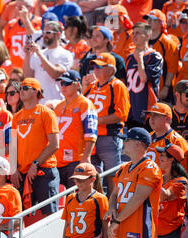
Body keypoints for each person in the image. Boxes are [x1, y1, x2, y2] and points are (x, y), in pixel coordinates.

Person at [107, 127, 163, 238]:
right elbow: (114, 194)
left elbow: (138, 198)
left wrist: (117, 221)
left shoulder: (150, 167)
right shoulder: (123, 168)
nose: (123, 143)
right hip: (118, 234)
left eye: (126, 140)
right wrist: (111, 207)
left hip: (139, 234)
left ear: (138, 144)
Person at [10, 78, 60, 220]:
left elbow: (54, 144)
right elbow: (13, 145)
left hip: (44, 170)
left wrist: (35, 164)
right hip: (22, 173)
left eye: (25, 88)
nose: (21, 91)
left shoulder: (46, 113)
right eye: (20, 88)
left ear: (36, 91)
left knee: (49, 215)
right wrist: (13, 169)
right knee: (19, 216)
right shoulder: (16, 117)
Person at [83, 53, 131, 196]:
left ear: (110, 69)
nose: (95, 69)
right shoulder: (91, 86)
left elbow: (122, 114)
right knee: (93, 175)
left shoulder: (117, 85)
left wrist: (96, 121)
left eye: (99, 66)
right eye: (94, 66)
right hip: (90, 138)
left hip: (109, 137)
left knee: (112, 175)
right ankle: (98, 206)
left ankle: (113, 207)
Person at [54, 70, 98, 189]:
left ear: (77, 84)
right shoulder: (59, 106)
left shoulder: (85, 104)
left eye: (67, 83)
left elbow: (91, 132)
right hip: (57, 160)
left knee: (75, 196)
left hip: (76, 159)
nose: (63, 86)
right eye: (62, 83)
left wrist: (86, 156)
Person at [59, 163, 109, 238]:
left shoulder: (100, 199)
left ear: (92, 179)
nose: (78, 182)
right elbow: (67, 226)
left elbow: (106, 229)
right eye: (76, 179)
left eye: (81, 179)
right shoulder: (70, 198)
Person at [23, 21, 73, 104]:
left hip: (57, 102)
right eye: (43, 32)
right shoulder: (38, 53)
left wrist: (39, 54)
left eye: (48, 32)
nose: (44, 35)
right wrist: (27, 55)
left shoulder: (65, 54)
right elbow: (28, 76)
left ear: (57, 34)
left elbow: (54, 74)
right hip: (39, 103)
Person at [125, 22, 163, 129]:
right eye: (133, 33)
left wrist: (140, 59)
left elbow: (143, 78)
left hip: (147, 109)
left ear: (147, 36)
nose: (134, 36)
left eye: (138, 33)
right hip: (131, 110)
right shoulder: (129, 57)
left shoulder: (154, 56)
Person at [155, 143, 187, 238]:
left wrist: (153, 178)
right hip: (154, 230)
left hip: (170, 232)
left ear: (171, 160)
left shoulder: (182, 181)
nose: (159, 158)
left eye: (163, 156)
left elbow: (165, 196)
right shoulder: (160, 178)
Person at [144, 9, 179, 104]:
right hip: (144, 89)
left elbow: (172, 68)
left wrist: (166, 87)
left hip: (161, 89)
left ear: (161, 23)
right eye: (148, 19)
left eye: (153, 19)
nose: (149, 22)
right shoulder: (142, 40)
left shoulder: (167, 43)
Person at [145, 102, 188, 168]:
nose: (151, 118)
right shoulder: (146, 137)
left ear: (167, 118)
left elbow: (184, 171)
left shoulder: (178, 141)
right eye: (151, 115)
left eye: (156, 115)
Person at [4, 0, 42, 70]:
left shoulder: (39, 22)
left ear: (30, 8)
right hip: (16, 67)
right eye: (17, 7)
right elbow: (7, 47)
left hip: (33, 67)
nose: (19, 10)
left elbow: (36, 39)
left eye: (21, 8)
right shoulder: (10, 25)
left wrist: (25, 19)